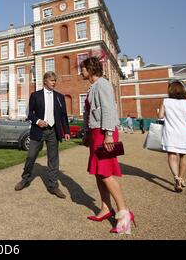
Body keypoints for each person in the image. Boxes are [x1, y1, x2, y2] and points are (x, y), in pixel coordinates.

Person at [80, 57, 135, 234]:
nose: (81, 71)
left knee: (105, 173)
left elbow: (109, 109)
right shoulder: (93, 86)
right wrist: (88, 134)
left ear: (90, 69)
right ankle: (105, 208)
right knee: (98, 173)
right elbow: (90, 114)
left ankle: (124, 213)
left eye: (83, 68)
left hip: (105, 132)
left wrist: (109, 134)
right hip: (96, 132)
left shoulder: (102, 84)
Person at [14, 71, 71, 199]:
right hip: (38, 130)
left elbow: (63, 116)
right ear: (45, 81)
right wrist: (38, 121)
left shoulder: (59, 97)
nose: (54, 82)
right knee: (31, 156)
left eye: (55, 80)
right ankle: (25, 179)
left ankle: (53, 186)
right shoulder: (35, 95)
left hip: (53, 131)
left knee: (53, 159)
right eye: (52, 80)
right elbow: (30, 114)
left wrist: (66, 131)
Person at [158, 80, 186, 193]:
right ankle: (181, 177)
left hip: (171, 132)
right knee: (184, 155)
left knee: (172, 155)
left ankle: (176, 178)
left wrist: (159, 112)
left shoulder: (166, 101)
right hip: (185, 132)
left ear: (170, 90)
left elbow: (160, 116)